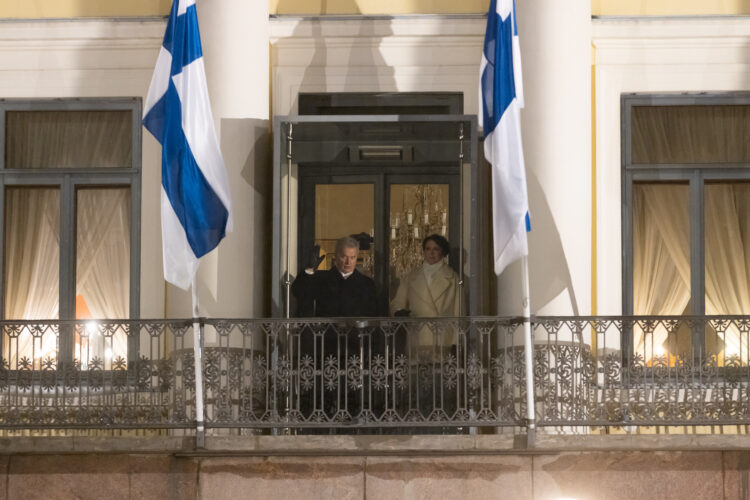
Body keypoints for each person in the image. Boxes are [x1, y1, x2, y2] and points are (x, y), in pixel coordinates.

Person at [292, 236, 377, 318]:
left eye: (352, 257)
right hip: (327, 332)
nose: (348, 262)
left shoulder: (367, 284)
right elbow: (298, 292)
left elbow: (372, 315)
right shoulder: (322, 279)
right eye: (344, 257)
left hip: (356, 332)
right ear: (336, 256)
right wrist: (310, 269)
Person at [390, 234, 460, 319]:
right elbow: (398, 303)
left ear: (443, 252)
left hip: (443, 330)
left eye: (436, 249)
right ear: (424, 251)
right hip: (418, 329)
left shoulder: (452, 278)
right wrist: (399, 312)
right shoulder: (411, 276)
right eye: (428, 249)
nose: (431, 253)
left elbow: (459, 312)